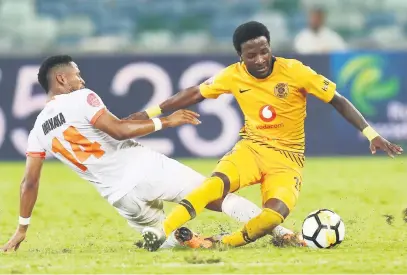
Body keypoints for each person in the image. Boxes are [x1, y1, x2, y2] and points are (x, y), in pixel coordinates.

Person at [134, 21, 403, 251]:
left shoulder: (295, 71)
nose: (260, 59)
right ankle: (160, 232)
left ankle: (219, 243)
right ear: (240, 56)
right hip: (251, 149)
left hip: (288, 160)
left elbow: (337, 99)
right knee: (213, 186)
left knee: (272, 217)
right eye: (252, 55)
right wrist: (151, 113)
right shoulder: (233, 76)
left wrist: (371, 133)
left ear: (270, 47)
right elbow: (194, 93)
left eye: (264, 51)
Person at [1, 55, 295, 252]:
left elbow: (29, 183)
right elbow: (118, 131)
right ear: (62, 79)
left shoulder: (38, 129)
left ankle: (190, 242)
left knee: (161, 236)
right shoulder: (81, 98)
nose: (82, 80)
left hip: (120, 197)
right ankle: (279, 233)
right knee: (213, 195)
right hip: (143, 168)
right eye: (77, 75)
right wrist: (166, 120)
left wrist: (22, 228)